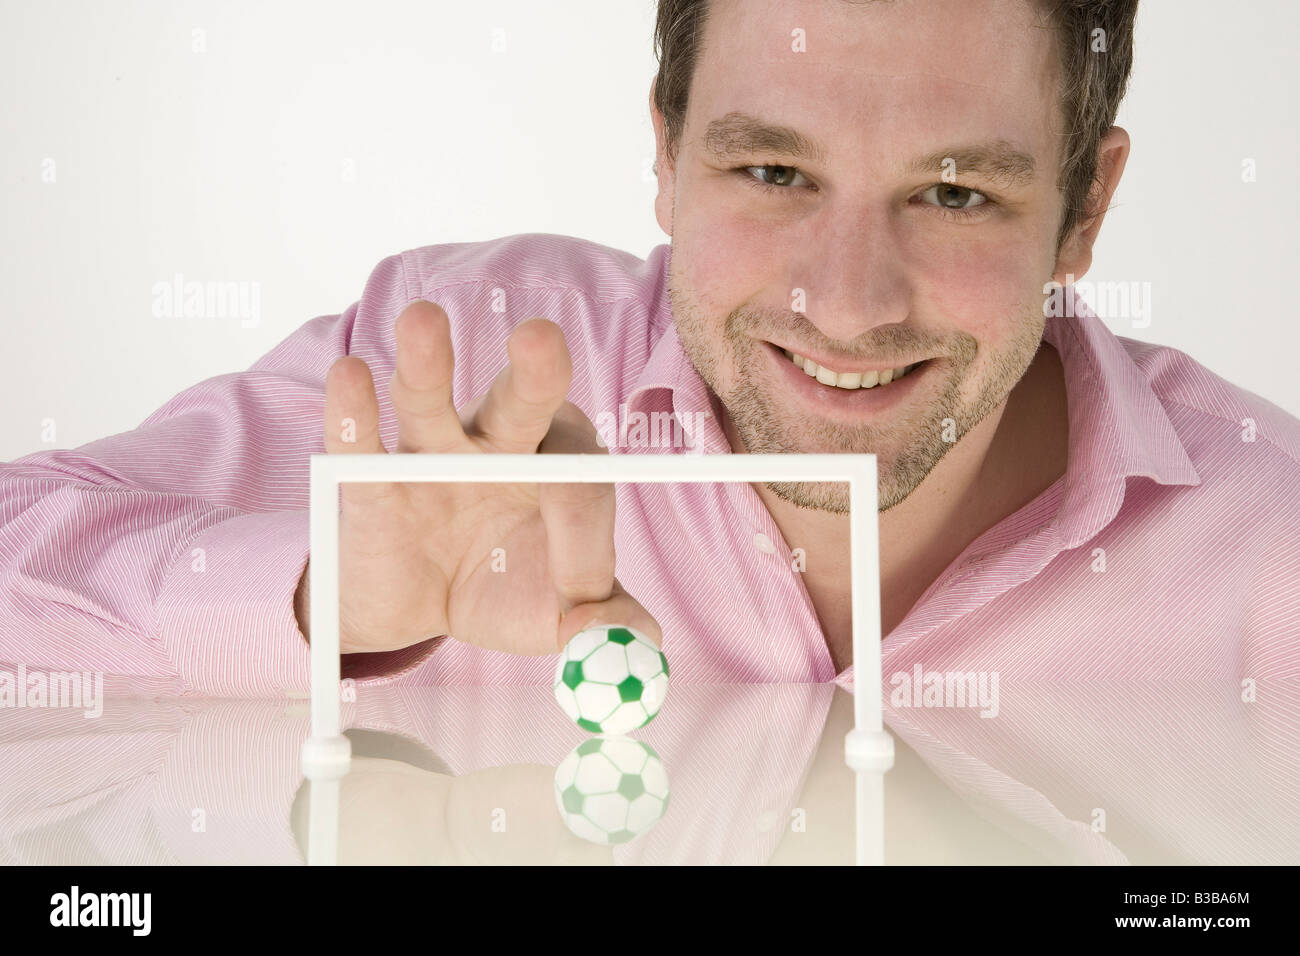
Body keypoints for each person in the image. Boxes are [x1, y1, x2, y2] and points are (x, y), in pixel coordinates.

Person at [2, 0, 1297, 697]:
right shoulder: (456, 367)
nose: (849, 306)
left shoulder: (1267, 543)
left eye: (956, 194)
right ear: (667, 159)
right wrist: (317, 599)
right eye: (773, 172)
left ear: (1087, 208)